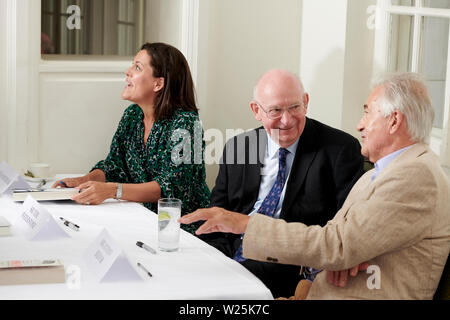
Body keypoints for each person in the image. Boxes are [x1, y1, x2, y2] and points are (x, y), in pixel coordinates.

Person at [181, 72, 450, 299]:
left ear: (394, 120)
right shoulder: (380, 173)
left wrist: (244, 224)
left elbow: (336, 245)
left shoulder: (416, 177)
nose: (360, 124)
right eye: (275, 110)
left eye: (367, 113)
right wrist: (328, 263)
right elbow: (339, 240)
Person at [199, 69, 364, 297]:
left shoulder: (340, 149)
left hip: (288, 260)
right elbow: (218, 214)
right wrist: (213, 258)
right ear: (256, 110)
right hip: (233, 251)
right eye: (275, 110)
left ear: (306, 102)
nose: (287, 120)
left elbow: (345, 228)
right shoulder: (239, 146)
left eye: (295, 107)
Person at [54, 42, 210, 234]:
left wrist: (112, 190)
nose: (128, 71)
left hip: (184, 229)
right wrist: (84, 180)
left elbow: (172, 189)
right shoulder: (132, 115)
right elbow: (114, 166)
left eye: (137, 67)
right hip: (141, 219)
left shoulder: (187, 124)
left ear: (158, 83)